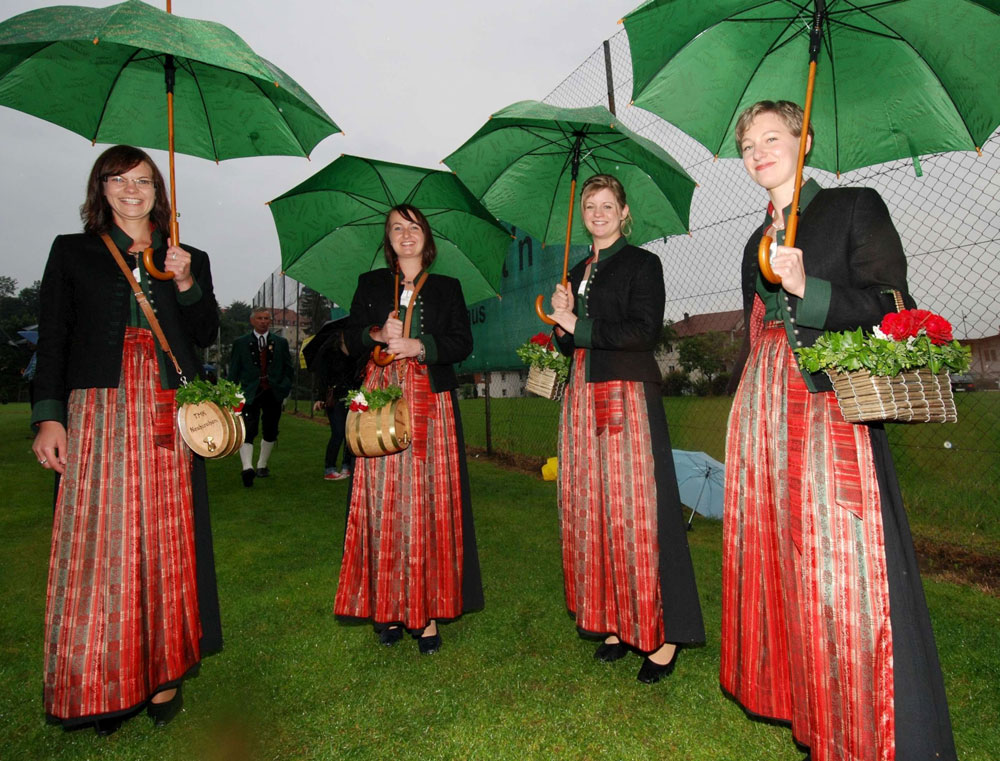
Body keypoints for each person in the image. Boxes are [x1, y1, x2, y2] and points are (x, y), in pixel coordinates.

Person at [721, 100, 956, 761]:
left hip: (829, 408)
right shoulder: (752, 241)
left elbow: (895, 308)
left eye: (772, 137)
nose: (758, 152)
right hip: (764, 413)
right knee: (784, 562)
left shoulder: (854, 207)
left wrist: (810, 288)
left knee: (842, 568)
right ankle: (813, 714)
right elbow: (755, 332)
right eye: (747, 145)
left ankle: (872, 723)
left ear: (805, 140)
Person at [30, 145, 222, 735]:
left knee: (167, 536)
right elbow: (55, 335)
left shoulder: (186, 255)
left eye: (143, 180)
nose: (132, 190)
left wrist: (186, 281)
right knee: (100, 540)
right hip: (99, 410)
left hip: (167, 406)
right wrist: (49, 416)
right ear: (101, 189)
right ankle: (100, 678)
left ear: (158, 192)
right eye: (118, 180)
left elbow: (204, 332)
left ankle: (164, 676)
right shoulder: (73, 251)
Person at [548, 174, 704, 684]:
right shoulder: (576, 272)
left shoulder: (643, 264)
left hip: (628, 400)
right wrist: (561, 322)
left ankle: (664, 636)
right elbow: (570, 347)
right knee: (593, 510)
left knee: (640, 512)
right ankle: (616, 620)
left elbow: (642, 332)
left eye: (607, 204)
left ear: (624, 211)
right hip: (580, 402)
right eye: (590, 205)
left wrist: (580, 327)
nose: (597, 212)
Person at [334, 204, 483, 654]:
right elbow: (348, 338)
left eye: (413, 227)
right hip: (378, 398)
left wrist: (420, 344)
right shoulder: (370, 284)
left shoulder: (447, 288)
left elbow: (462, 342)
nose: (405, 234)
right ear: (388, 239)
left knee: (429, 499)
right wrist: (378, 334)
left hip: (430, 402)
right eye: (396, 228)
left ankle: (428, 613)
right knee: (382, 503)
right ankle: (389, 609)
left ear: (427, 237)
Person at [228, 307, 294, 486]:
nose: (263, 321)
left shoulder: (280, 342)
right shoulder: (240, 343)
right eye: (260, 318)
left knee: (271, 429)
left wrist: (285, 387)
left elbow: (288, 368)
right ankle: (247, 467)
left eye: (266, 318)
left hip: (273, 391)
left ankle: (262, 465)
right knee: (248, 429)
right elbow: (234, 369)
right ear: (252, 321)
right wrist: (231, 393)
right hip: (249, 392)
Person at [311, 322, 363, 481]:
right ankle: (330, 468)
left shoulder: (356, 355)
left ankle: (347, 466)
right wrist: (320, 397)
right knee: (338, 432)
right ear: (340, 335)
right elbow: (322, 376)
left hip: (353, 397)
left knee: (351, 433)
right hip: (335, 398)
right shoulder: (329, 353)